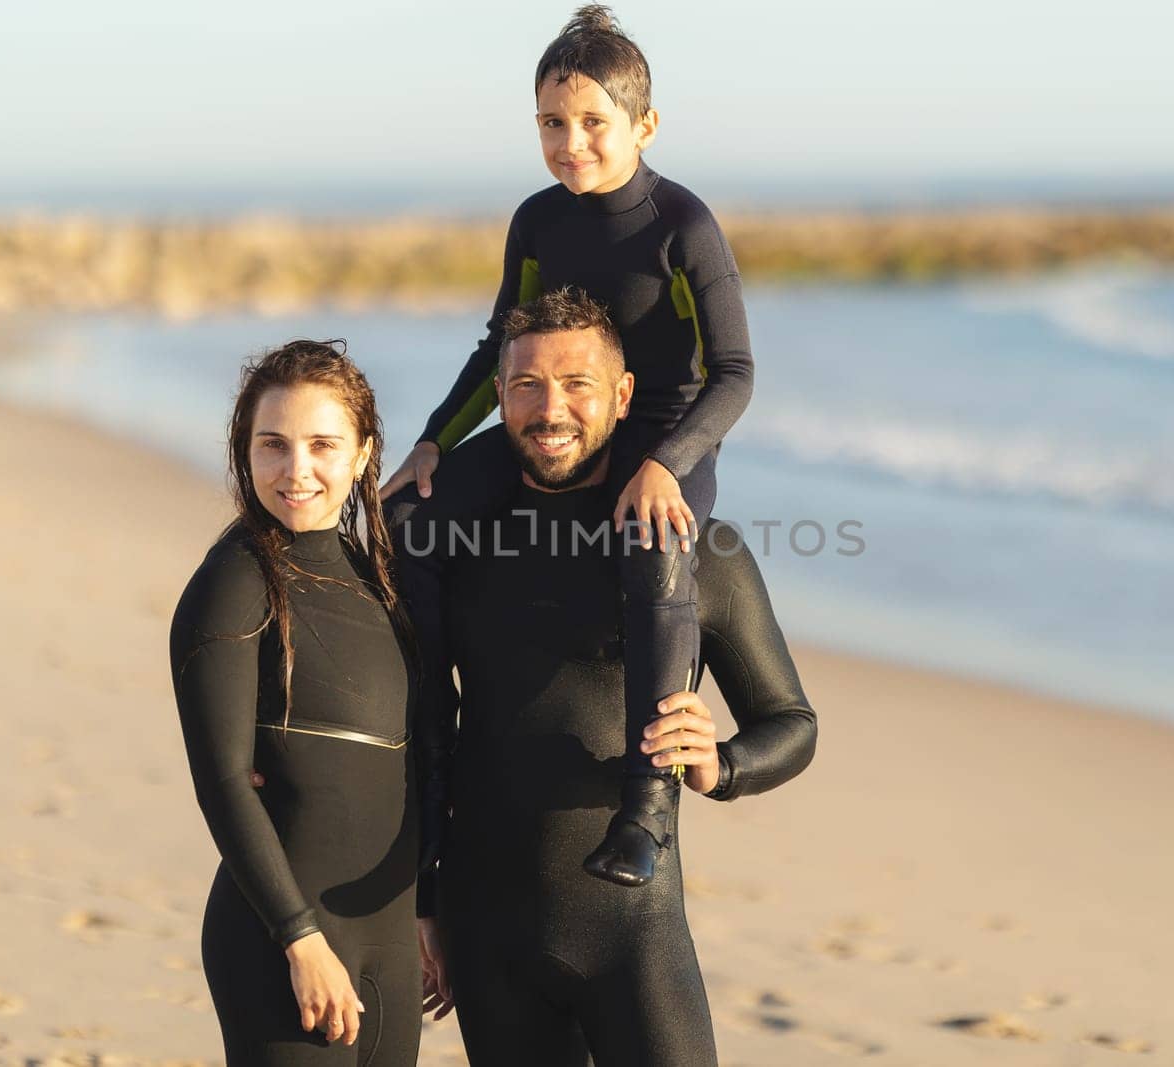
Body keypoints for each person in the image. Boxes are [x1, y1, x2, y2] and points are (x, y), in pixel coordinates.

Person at [382, 4, 755, 888]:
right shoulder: (538, 221)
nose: (571, 141)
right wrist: (435, 439)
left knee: (652, 543)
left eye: (594, 121)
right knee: (407, 514)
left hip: (664, 434)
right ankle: (430, 734)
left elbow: (735, 372)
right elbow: (501, 345)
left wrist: (668, 462)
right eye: (553, 122)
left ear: (644, 124)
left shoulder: (683, 226)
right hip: (551, 427)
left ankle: (647, 804)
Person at [399, 290, 815, 1065]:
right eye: (525, 385)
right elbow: (411, 720)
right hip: (487, 933)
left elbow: (792, 724)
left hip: (634, 936)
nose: (549, 409)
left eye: (576, 383)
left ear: (623, 397)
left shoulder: (697, 551)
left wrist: (720, 763)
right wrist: (425, 904)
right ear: (498, 395)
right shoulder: (453, 549)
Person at [169, 340, 420, 1065]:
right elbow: (222, 783)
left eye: (322, 444)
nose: (297, 470)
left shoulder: (378, 576)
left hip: (391, 941)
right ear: (243, 450)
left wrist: (430, 914)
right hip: (282, 939)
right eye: (273, 444)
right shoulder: (234, 582)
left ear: (364, 451)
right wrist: (299, 937)